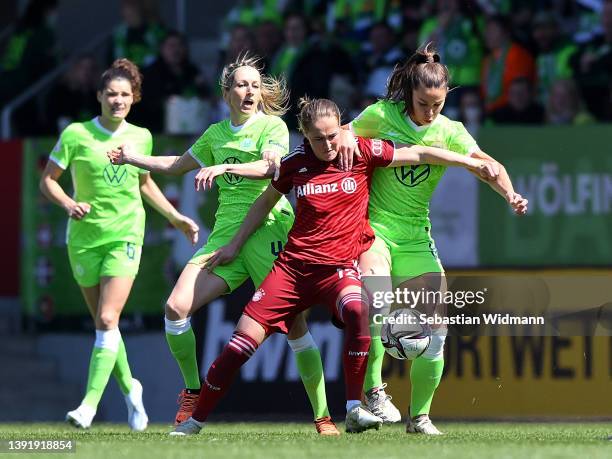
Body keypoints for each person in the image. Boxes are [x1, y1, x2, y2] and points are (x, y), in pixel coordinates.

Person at [169, 96, 499, 436]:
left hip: (338, 269)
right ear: (304, 136)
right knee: (239, 346)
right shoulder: (295, 164)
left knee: (360, 309)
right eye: (317, 139)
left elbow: (421, 153)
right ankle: (195, 421)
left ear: (341, 127)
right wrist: (234, 245)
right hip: (293, 270)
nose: (327, 145)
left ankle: (355, 407)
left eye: (332, 136)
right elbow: (264, 202)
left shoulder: (361, 151)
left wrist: (469, 161)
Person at [107, 54, 338, 435]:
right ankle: (193, 392)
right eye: (241, 85)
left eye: (254, 85)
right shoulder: (216, 134)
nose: (249, 91)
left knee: (295, 327)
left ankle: (323, 416)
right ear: (227, 92)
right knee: (175, 308)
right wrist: (132, 157)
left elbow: (271, 166)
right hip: (225, 239)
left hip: (269, 232)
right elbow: (178, 164)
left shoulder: (272, 127)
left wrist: (227, 167)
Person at [334, 44, 528, 434]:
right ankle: (374, 392)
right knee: (375, 301)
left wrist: (509, 194)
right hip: (374, 229)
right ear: (409, 93)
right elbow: (340, 136)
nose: (431, 112)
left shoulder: (450, 131)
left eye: (438, 105)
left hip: (415, 235)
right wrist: (346, 144)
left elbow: (488, 166)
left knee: (437, 331)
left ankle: (419, 417)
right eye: (424, 103)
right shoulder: (381, 114)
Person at [39, 58, 200, 430]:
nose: (117, 100)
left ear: (134, 98)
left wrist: (175, 218)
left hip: (125, 234)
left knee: (109, 317)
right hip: (83, 238)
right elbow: (48, 181)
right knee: (103, 325)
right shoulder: (76, 134)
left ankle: (88, 406)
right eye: (111, 94)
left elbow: (144, 184)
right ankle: (132, 390)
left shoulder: (140, 136)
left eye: (125, 95)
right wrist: (67, 203)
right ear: (98, 96)